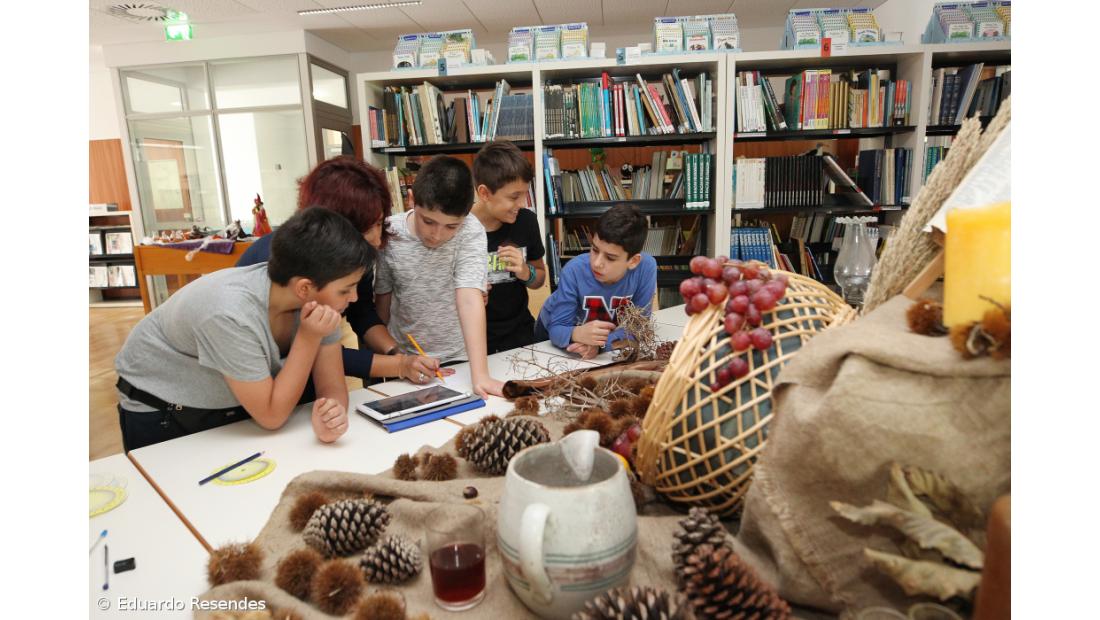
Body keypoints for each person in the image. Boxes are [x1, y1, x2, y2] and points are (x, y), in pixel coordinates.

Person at [115, 208, 366, 451]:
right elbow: (271, 416)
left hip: (238, 404)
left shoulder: (319, 303)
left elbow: (331, 386)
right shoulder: (229, 312)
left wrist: (331, 416)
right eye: (345, 290)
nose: (354, 298)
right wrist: (308, 337)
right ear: (304, 288)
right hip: (164, 411)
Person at [237, 156, 451, 386]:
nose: (377, 240)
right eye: (365, 228)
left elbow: (361, 312)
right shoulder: (283, 262)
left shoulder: (354, 256)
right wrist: (399, 365)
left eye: (379, 223)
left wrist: (396, 352)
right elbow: (318, 352)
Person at [374, 155, 504, 399]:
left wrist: (480, 376)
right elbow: (382, 300)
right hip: (405, 358)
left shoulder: (471, 230)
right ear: (411, 200)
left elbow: (469, 298)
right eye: (428, 221)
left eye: (451, 226)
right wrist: (389, 359)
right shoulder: (390, 232)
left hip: (459, 356)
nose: (437, 235)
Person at [534, 203, 657, 360]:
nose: (597, 263)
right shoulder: (573, 270)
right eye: (594, 250)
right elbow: (557, 328)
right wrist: (576, 333)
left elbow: (638, 327)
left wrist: (600, 346)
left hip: (597, 340)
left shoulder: (646, 268)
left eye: (610, 258)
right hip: (552, 332)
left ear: (633, 261)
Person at [470, 141, 546, 353]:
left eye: (525, 194)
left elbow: (539, 278)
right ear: (484, 193)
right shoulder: (458, 228)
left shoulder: (526, 222)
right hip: (472, 339)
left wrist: (525, 272)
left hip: (520, 335)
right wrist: (468, 295)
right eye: (514, 197)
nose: (522, 204)